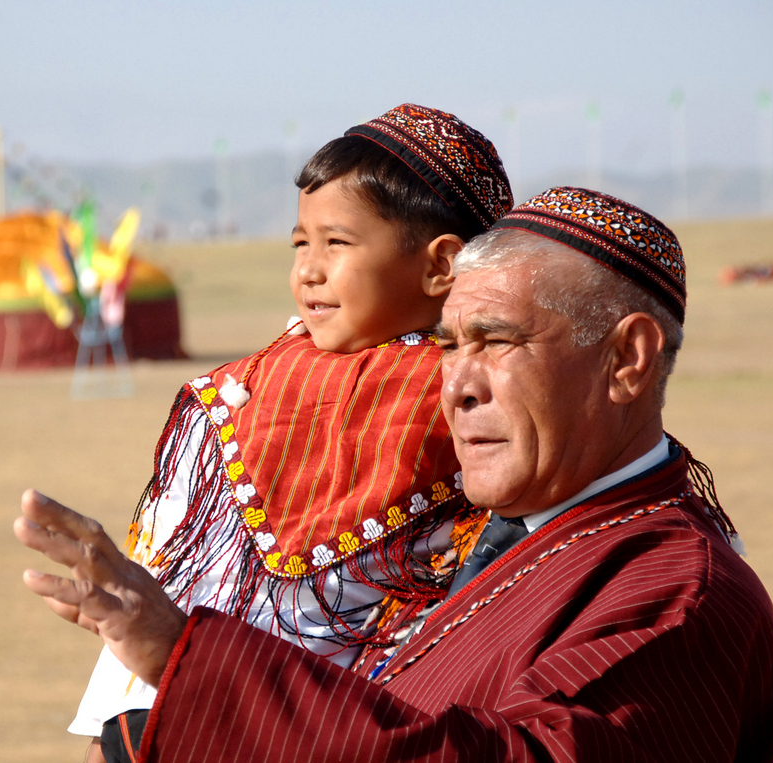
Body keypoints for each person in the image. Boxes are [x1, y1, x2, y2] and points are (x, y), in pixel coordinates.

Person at [17, 187, 773, 762]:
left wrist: (195, 665)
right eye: (450, 344)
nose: (455, 383)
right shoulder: (485, 544)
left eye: (495, 339)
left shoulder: (676, 591)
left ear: (625, 359)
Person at [69, 104, 513, 762]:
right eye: (300, 243)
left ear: (440, 265)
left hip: (317, 719)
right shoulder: (259, 379)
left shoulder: (470, 394)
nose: (308, 268)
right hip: (175, 710)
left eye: (336, 243)